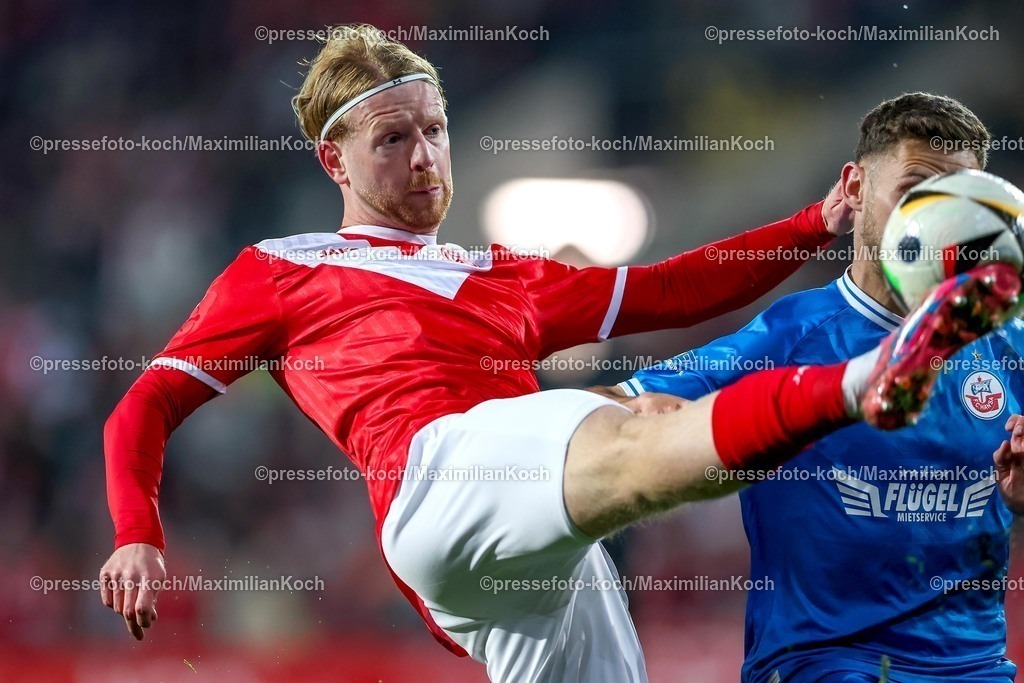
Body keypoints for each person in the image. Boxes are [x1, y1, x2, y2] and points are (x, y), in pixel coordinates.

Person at [97, 27, 1021, 682]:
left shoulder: (502, 275)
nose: (424, 157)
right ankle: (866, 379)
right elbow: (147, 401)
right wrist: (137, 529)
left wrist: (812, 222)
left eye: (435, 130)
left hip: (533, 562)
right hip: (439, 480)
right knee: (635, 431)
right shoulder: (280, 268)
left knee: (637, 443)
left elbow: (672, 290)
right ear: (334, 162)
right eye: (393, 139)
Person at [597, 93, 1024, 682]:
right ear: (854, 188)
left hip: (976, 667)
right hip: (823, 664)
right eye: (915, 192)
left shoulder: (1009, 343)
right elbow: (609, 407)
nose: (938, 223)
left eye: (958, 201)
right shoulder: (787, 338)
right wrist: (648, 416)